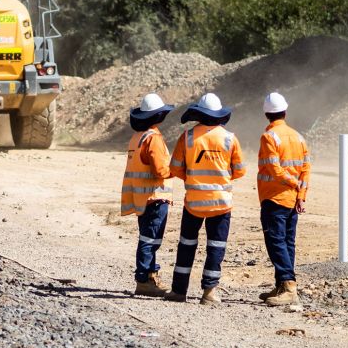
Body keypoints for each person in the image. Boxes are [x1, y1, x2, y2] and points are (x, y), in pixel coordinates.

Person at [165, 93, 245, 305]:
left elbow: (174, 168)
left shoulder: (188, 137)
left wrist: (191, 177)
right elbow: (239, 171)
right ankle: (209, 292)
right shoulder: (229, 138)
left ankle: (179, 291)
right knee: (216, 247)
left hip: (193, 203)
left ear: (199, 115)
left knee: (186, 245)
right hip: (221, 204)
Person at [256, 92, 311, 307]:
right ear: (285, 112)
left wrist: (293, 184)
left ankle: (289, 286)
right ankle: (282, 284)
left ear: (266, 115)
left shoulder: (269, 137)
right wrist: (301, 195)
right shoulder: (298, 137)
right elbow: (306, 168)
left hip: (275, 197)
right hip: (292, 200)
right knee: (287, 242)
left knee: (276, 241)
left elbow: (274, 169)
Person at [121, 93, 175, 297]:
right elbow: (160, 171)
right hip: (155, 197)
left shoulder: (137, 138)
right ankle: (144, 279)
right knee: (151, 239)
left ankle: (149, 276)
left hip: (142, 197)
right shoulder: (153, 139)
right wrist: (177, 170)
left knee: (147, 237)